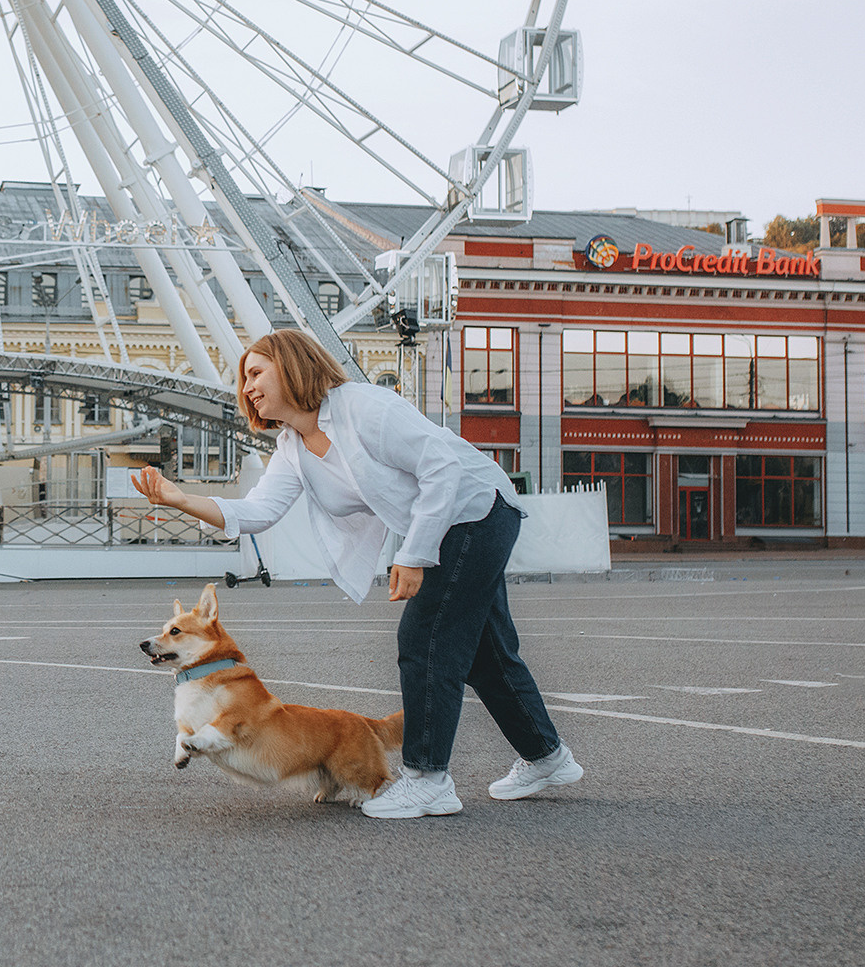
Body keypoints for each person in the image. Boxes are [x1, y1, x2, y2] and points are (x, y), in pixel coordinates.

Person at [134, 328, 581, 819]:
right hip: (452, 526)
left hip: (475, 513)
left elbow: (442, 469)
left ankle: (428, 780)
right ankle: (547, 756)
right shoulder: (293, 446)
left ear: (292, 366)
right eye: (244, 380)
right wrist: (180, 499)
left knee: (426, 639)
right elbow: (257, 512)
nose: (248, 388)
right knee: (483, 656)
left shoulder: (365, 407)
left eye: (256, 373)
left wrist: (414, 554)